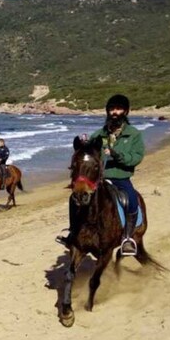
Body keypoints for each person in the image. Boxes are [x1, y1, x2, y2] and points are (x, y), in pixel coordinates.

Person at [57, 93, 145, 255]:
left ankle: (127, 238)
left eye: (118, 109)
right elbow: (89, 154)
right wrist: (84, 147)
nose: (115, 112)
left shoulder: (133, 134)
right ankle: (73, 232)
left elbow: (136, 157)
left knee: (131, 200)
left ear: (125, 112)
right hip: (98, 180)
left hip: (120, 178)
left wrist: (116, 154)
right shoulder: (99, 134)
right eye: (112, 109)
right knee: (74, 198)